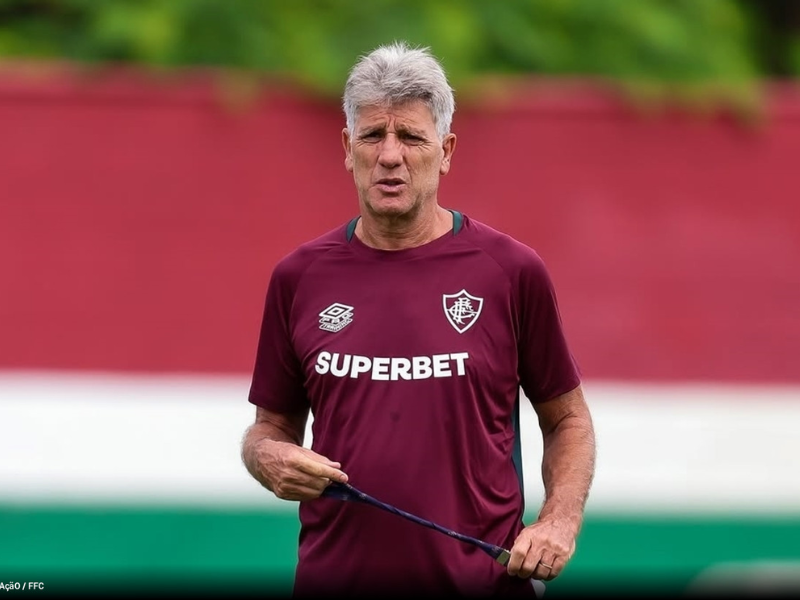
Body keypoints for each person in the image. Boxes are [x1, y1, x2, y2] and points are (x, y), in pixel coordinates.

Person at [241, 40, 596, 598]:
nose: (389, 155)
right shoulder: (300, 276)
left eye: (410, 136)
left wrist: (558, 522)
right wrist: (264, 456)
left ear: (446, 150)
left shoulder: (508, 271)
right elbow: (271, 427)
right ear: (346, 146)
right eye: (372, 136)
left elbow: (568, 420)